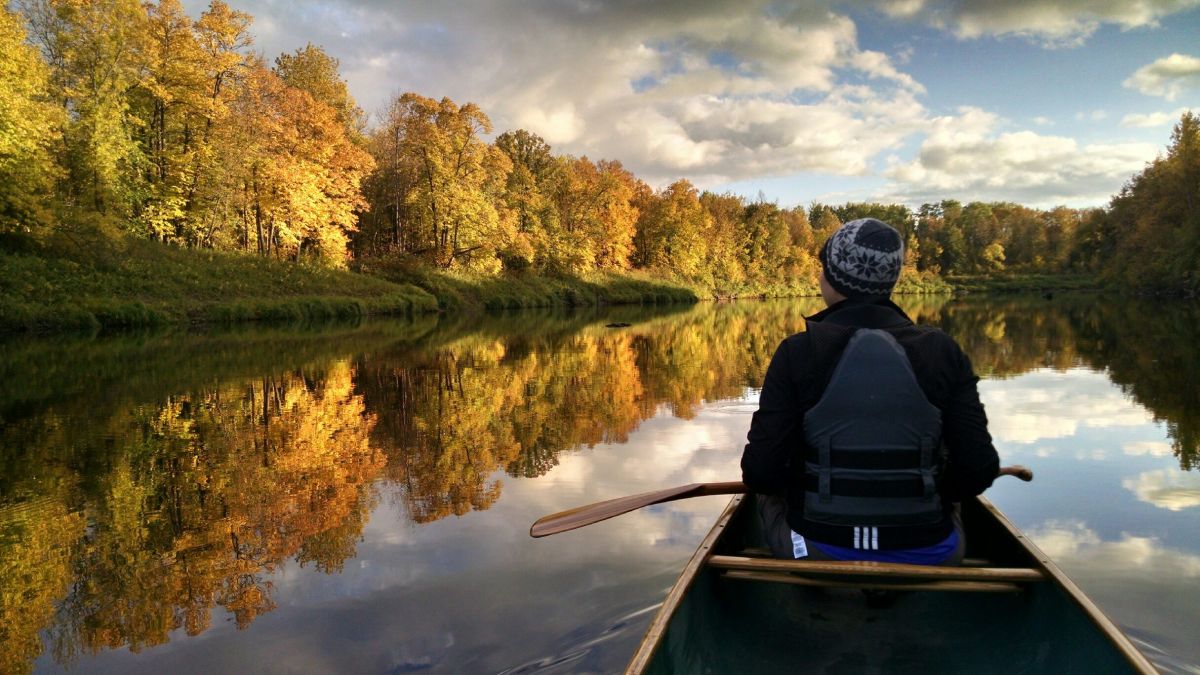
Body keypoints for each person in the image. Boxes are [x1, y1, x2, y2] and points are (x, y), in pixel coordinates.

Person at [740, 218, 999, 565]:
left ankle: (815, 585)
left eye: (823, 268)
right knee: (950, 479)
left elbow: (761, 474)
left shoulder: (796, 352)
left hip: (816, 549)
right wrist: (937, 488)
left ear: (833, 279)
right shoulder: (942, 351)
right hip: (930, 550)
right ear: (890, 281)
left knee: (767, 493)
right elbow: (979, 469)